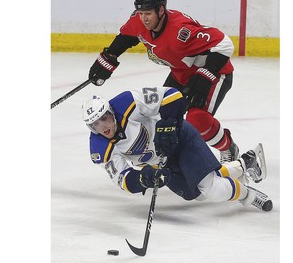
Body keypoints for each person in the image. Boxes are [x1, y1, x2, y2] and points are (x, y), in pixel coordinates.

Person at [88, 0, 239, 164]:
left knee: (197, 119)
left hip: (213, 74)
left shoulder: (181, 31)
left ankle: (228, 147)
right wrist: (109, 57)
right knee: (164, 114)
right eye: (141, 12)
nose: (143, 18)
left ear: (161, 10)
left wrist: (206, 73)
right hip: (181, 73)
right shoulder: (139, 20)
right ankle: (173, 157)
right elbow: (128, 36)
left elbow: (224, 44)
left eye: (148, 13)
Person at [81, 87, 273, 211]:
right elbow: (123, 180)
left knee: (212, 188)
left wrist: (169, 123)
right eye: (95, 124)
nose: (103, 127)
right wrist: (144, 178)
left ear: (111, 112)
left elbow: (172, 95)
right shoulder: (100, 148)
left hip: (180, 140)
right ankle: (244, 163)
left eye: (104, 118)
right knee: (196, 195)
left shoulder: (128, 101)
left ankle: (249, 195)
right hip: (161, 162)